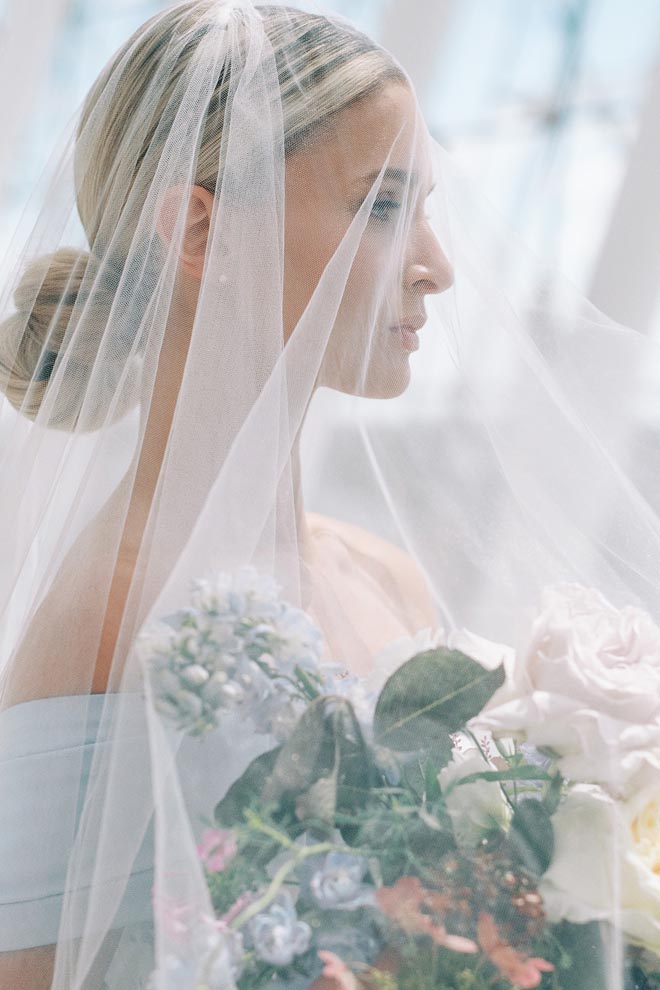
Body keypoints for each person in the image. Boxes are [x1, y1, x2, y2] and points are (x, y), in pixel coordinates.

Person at [0, 1, 655, 988]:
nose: (434, 266)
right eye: (382, 205)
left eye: (424, 206)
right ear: (198, 231)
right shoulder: (108, 611)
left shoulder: (383, 572)